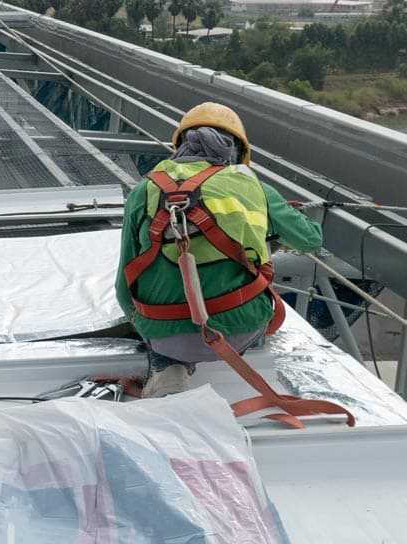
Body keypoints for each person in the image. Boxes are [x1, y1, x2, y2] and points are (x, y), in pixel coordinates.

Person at [116, 102, 322, 398]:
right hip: (238, 333)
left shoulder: (144, 190)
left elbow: (124, 281)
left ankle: (166, 366)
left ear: (180, 146)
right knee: (255, 268)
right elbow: (310, 240)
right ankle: (249, 340)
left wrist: (144, 326)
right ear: (237, 152)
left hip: (163, 337)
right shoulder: (255, 189)